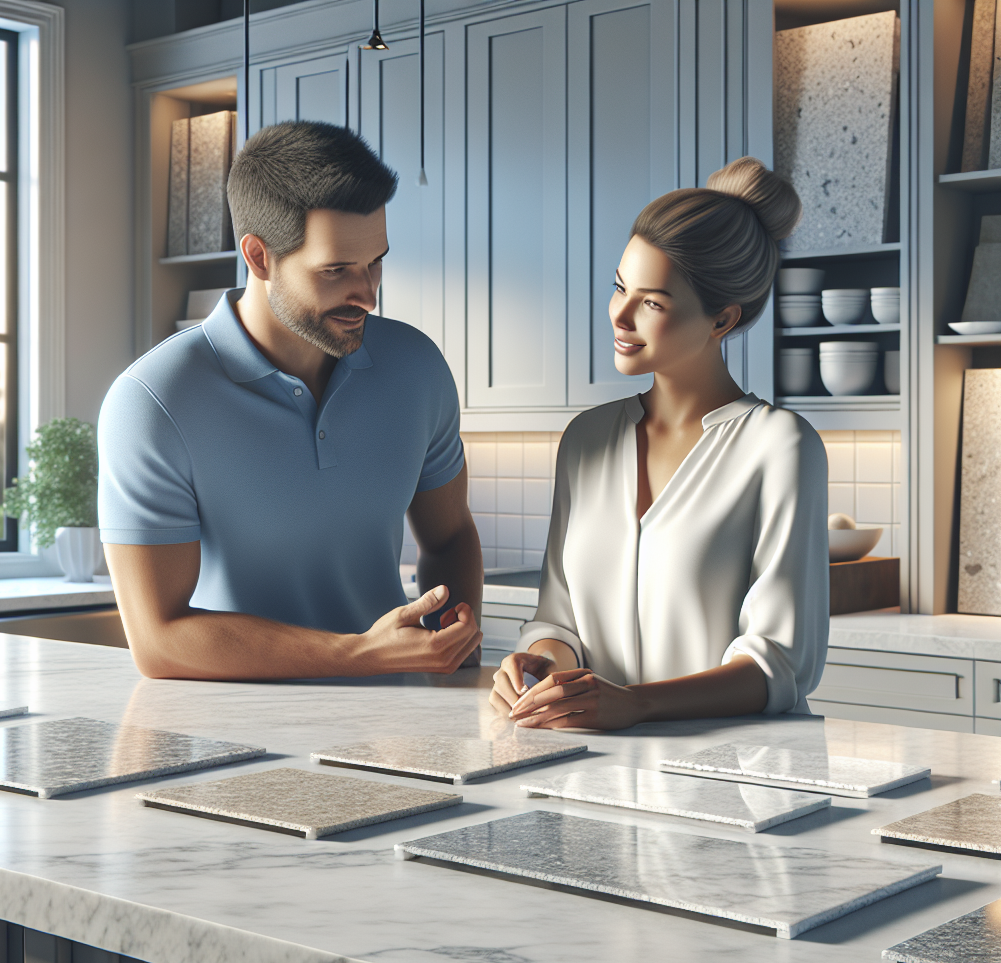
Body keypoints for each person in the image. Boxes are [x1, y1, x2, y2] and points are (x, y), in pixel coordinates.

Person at [99, 121, 482, 680]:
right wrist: (358, 654)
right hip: (234, 728)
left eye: (375, 262)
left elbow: (450, 537)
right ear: (259, 257)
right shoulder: (153, 402)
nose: (368, 294)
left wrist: (455, 648)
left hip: (398, 716)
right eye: (336, 270)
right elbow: (159, 640)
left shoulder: (416, 367)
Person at [490, 157, 829, 729]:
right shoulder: (586, 440)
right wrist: (541, 663)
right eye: (620, 288)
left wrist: (637, 704)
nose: (619, 316)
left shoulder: (779, 446)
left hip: (734, 768)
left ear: (722, 320)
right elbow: (560, 618)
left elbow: (778, 664)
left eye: (652, 303)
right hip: (594, 761)